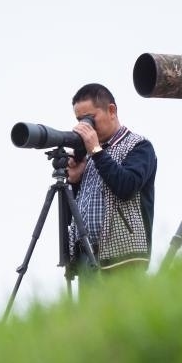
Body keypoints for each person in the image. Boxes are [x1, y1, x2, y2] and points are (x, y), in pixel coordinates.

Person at [64, 83, 156, 280]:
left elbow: (126, 187)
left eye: (90, 118)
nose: (85, 127)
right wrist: (75, 181)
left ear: (111, 111)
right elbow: (75, 213)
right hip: (87, 258)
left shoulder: (139, 146)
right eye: (80, 121)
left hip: (123, 258)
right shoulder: (90, 156)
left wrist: (96, 152)